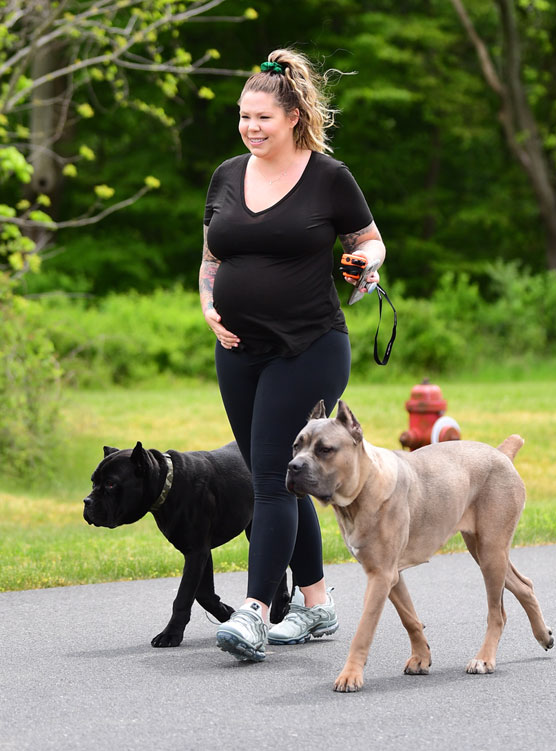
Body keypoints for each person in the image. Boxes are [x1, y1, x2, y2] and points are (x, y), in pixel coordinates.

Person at [199, 48, 386, 663]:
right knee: (284, 475)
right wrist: (208, 305)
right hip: (239, 350)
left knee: (272, 477)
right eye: (243, 117)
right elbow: (212, 257)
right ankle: (317, 606)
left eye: (263, 118)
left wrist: (365, 264)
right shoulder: (227, 174)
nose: (251, 128)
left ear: (294, 117)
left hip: (310, 346)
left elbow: (371, 241)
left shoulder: (329, 177)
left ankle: (254, 612)